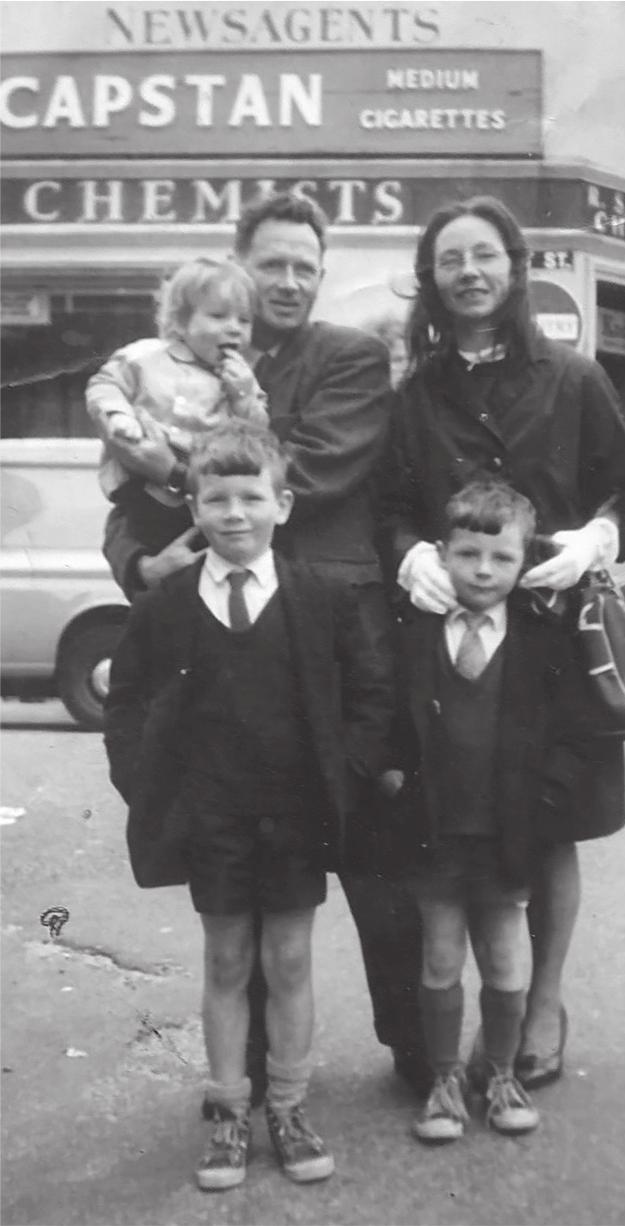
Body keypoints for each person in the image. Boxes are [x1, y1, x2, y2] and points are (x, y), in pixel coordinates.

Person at [96, 191, 429, 1096]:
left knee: (370, 855)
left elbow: (306, 476)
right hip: (217, 628)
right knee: (241, 870)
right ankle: (245, 1077)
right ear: (238, 264)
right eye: (271, 264)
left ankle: (417, 1050)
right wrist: (142, 565)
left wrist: (193, 494)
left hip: (329, 632)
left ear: (322, 279)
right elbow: (129, 499)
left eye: (304, 268)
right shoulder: (181, 359)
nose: (287, 282)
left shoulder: (348, 358)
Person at [381, 194, 625, 1089]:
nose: (469, 272)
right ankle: (471, 1027)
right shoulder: (416, 393)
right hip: (453, 647)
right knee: (460, 823)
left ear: (514, 266)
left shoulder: (572, 377)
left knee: (552, 825)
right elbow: (387, 506)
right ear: (432, 279)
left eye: (485, 255)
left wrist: (597, 539)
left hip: (556, 639)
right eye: (451, 258)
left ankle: (543, 1003)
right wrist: (409, 551)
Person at [104, 423, 395, 1191]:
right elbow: (126, 698)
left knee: (290, 959)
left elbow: (370, 694)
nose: (235, 514)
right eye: (217, 499)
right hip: (213, 815)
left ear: (284, 503)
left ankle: (291, 1108)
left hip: (295, 812)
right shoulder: (168, 602)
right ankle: (230, 1111)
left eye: (251, 497)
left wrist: (352, 774)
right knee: (228, 958)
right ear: (194, 508)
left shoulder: (319, 597)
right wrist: (146, 783)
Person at [382, 479, 601, 1143]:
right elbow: (388, 720)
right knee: (441, 961)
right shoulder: (413, 633)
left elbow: (572, 732)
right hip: (436, 836)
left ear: (523, 563)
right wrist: (393, 782)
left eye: (501, 558)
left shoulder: (540, 637)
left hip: (506, 836)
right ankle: (446, 1079)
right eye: (468, 553)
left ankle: (500, 1074)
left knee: (507, 962)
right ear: (440, 554)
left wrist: (544, 802)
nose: (483, 570)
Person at [86, 257, 267, 517]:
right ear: (180, 322)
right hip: (136, 490)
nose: (234, 329)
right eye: (218, 316)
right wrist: (120, 416)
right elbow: (104, 385)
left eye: (244, 320)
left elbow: (258, 439)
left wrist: (243, 396)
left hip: (197, 499)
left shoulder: (243, 379)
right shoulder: (145, 357)